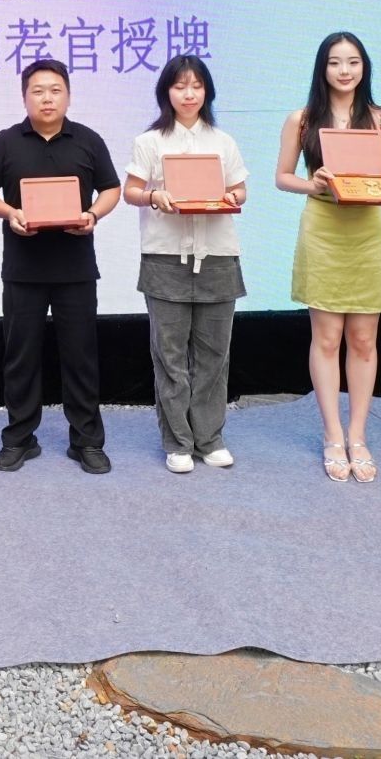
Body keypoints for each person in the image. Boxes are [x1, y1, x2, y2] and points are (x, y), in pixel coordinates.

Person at [0, 59, 122, 475]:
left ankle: (87, 441)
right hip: (23, 270)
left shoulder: (88, 140)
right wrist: (9, 212)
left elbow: (112, 188)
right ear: (25, 97)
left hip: (76, 269)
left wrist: (93, 214)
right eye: (37, 91)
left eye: (55, 90)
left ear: (68, 95)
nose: (47, 98)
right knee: (20, 357)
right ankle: (19, 438)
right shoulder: (7, 141)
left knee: (81, 357)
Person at [275, 32, 381, 483]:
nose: (344, 71)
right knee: (326, 340)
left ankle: (358, 436)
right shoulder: (303, 119)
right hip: (323, 229)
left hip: (366, 231)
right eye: (334, 62)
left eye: (353, 62)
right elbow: (282, 177)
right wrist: (313, 184)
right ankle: (332, 435)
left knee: (364, 340)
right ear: (322, 68)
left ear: (364, 67)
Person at [122, 55, 248, 474]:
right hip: (165, 257)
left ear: (207, 91)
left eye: (196, 86)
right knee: (170, 355)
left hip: (217, 255)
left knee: (214, 354)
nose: (188, 94)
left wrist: (233, 198)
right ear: (166, 92)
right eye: (179, 86)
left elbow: (240, 190)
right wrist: (153, 196)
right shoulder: (150, 142)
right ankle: (177, 441)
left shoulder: (223, 141)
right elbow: (131, 190)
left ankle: (210, 438)